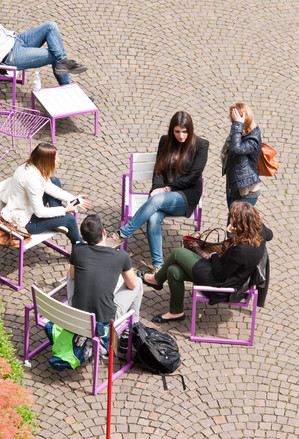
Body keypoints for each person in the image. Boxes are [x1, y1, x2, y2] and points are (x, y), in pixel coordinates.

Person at [138, 202, 273, 323]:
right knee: (173, 271)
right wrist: (236, 233)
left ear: (240, 224)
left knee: (178, 253)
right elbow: (270, 234)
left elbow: (220, 274)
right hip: (228, 275)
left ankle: (156, 280)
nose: (229, 221)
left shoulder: (241, 250)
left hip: (220, 284)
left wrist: (213, 255)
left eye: (232, 219)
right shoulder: (259, 230)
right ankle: (176, 311)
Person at [107, 111, 209, 272]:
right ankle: (158, 265)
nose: (181, 136)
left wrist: (166, 189)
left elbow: (193, 176)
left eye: (184, 132)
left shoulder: (201, 145)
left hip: (186, 196)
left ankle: (121, 235)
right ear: (171, 130)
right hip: (162, 195)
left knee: (156, 201)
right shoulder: (165, 141)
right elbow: (159, 170)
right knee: (153, 218)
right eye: (177, 132)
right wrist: (156, 189)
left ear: (190, 130)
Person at [68, 214, 143, 351]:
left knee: (71, 271)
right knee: (138, 282)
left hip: (78, 315)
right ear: (104, 233)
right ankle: (131, 330)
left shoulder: (78, 251)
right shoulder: (121, 256)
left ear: (83, 238)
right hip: (106, 319)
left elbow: (73, 276)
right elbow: (131, 285)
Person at [0, 142, 91, 244]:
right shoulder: (33, 180)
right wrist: (64, 210)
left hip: (27, 207)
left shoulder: (31, 166)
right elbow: (39, 212)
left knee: (54, 181)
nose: (58, 160)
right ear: (46, 161)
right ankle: (80, 246)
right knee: (69, 219)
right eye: (55, 158)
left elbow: (50, 187)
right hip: (26, 221)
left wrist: (73, 199)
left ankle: (57, 220)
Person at [0, 22, 87, 86]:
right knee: (55, 56)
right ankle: (70, 94)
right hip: (11, 55)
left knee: (51, 26)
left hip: (16, 39)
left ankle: (62, 61)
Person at [222, 102, 262, 216]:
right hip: (234, 187)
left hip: (246, 191)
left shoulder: (253, 138)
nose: (232, 121)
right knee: (231, 223)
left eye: (234, 119)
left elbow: (236, 149)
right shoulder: (241, 132)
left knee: (235, 228)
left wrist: (237, 125)